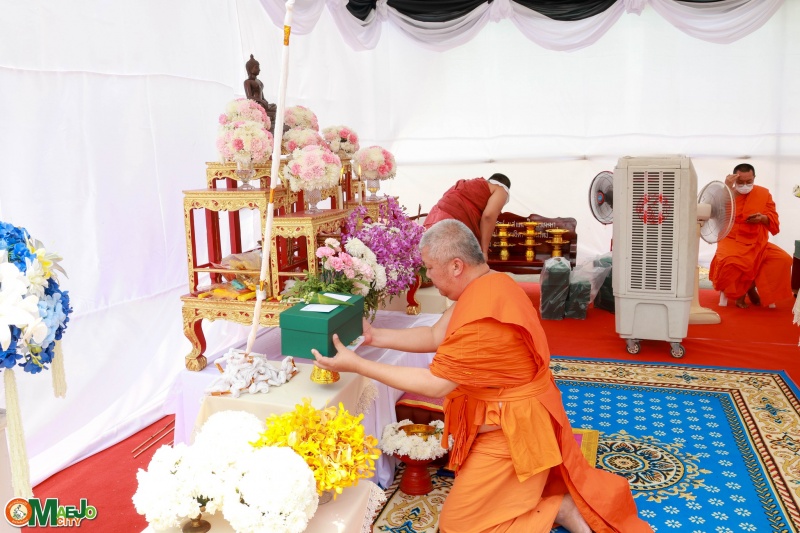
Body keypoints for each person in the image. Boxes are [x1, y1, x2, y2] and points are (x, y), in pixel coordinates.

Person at [312, 219, 651, 533]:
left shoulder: (481, 316)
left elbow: (437, 384)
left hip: (516, 432)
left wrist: (358, 365)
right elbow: (434, 335)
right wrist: (375, 336)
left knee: (458, 526)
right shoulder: (489, 283)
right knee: (475, 509)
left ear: (456, 266)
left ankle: (557, 509)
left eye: (430, 267)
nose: (427, 275)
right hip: (507, 419)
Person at [709, 163, 792, 309]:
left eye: (749, 181)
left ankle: (750, 287)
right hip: (731, 238)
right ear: (734, 179)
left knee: (783, 259)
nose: (745, 185)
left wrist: (762, 218)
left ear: (754, 178)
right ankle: (742, 292)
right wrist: (727, 188)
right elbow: (713, 212)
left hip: (757, 240)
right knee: (730, 262)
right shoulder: (727, 193)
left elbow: (773, 217)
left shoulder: (763, 193)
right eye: (741, 182)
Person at [423, 174, 511, 260]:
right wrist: (484, 251)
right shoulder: (501, 189)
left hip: (434, 217)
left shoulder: (471, 184)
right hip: (451, 223)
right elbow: (488, 216)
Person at [243, 54, 278, 133]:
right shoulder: (247, 82)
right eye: (257, 67)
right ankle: (267, 119)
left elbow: (261, 93)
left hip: (262, 103)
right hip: (256, 104)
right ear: (250, 69)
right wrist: (261, 101)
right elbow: (249, 97)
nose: (259, 69)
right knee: (267, 112)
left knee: (275, 106)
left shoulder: (258, 81)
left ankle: (270, 118)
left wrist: (264, 101)